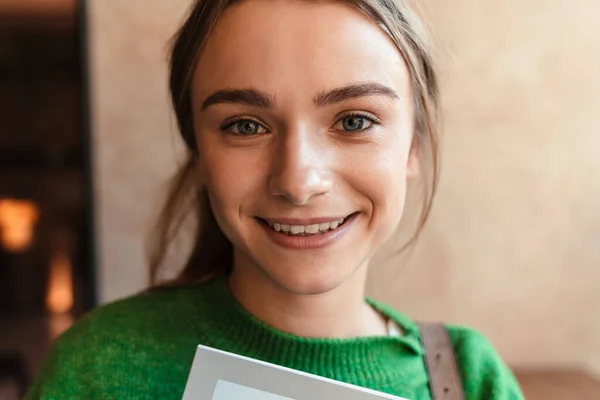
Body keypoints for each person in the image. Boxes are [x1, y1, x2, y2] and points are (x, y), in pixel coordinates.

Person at [26, 0, 524, 399]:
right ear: (199, 153)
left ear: (412, 147)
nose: (298, 181)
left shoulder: (470, 379)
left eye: (354, 121)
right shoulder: (98, 369)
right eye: (245, 125)